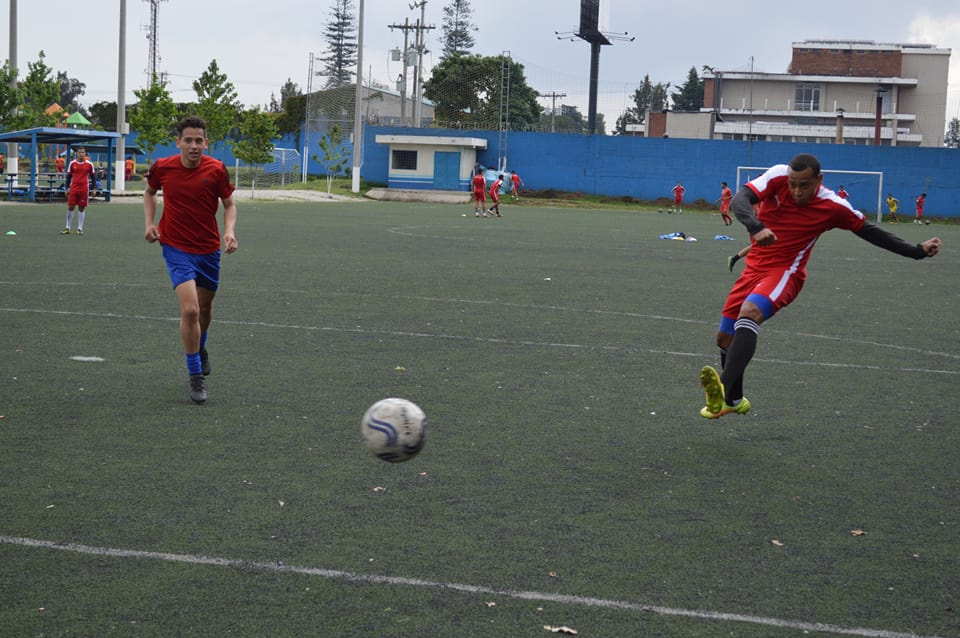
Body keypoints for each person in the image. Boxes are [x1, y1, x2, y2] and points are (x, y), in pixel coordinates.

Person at [699, 153, 941, 419]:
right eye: (792, 184)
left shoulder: (833, 206)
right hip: (753, 269)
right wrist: (755, 226)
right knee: (724, 339)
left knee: (750, 313)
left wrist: (917, 251)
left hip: (785, 272)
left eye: (804, 185)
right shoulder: (778, 175)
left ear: (819, 180)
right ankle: (733, 400)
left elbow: (871, 232)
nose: (796, 190)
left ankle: (722, 389)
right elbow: (740, 200)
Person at [144, 116, 238, 404]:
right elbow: (149, 192)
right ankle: (195, 375)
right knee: (191, 311)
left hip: (208, 249)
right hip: (175, 247)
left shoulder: (217, 170)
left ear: (206, 143)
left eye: (199, 140)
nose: (194, 145)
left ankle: (201, 346)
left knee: (206, 308)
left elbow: (229, 204)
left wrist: (229, 232)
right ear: (179, 143)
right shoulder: (163, 167)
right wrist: (149, 223)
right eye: (188, 140)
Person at [61, 147, 95, 235]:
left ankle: (80, 229)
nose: (81, 154)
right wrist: (66, 188)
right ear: (77, 153)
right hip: (74, 188)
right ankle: (67, 227)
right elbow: (68, 177)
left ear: (85, 153)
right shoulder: (72, 164)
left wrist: (93, 188)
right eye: (79, 152)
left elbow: (93, 177)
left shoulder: (89, 164)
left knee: (81, 208)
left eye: (83, 152)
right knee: (70, 207)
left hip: (84, 189)